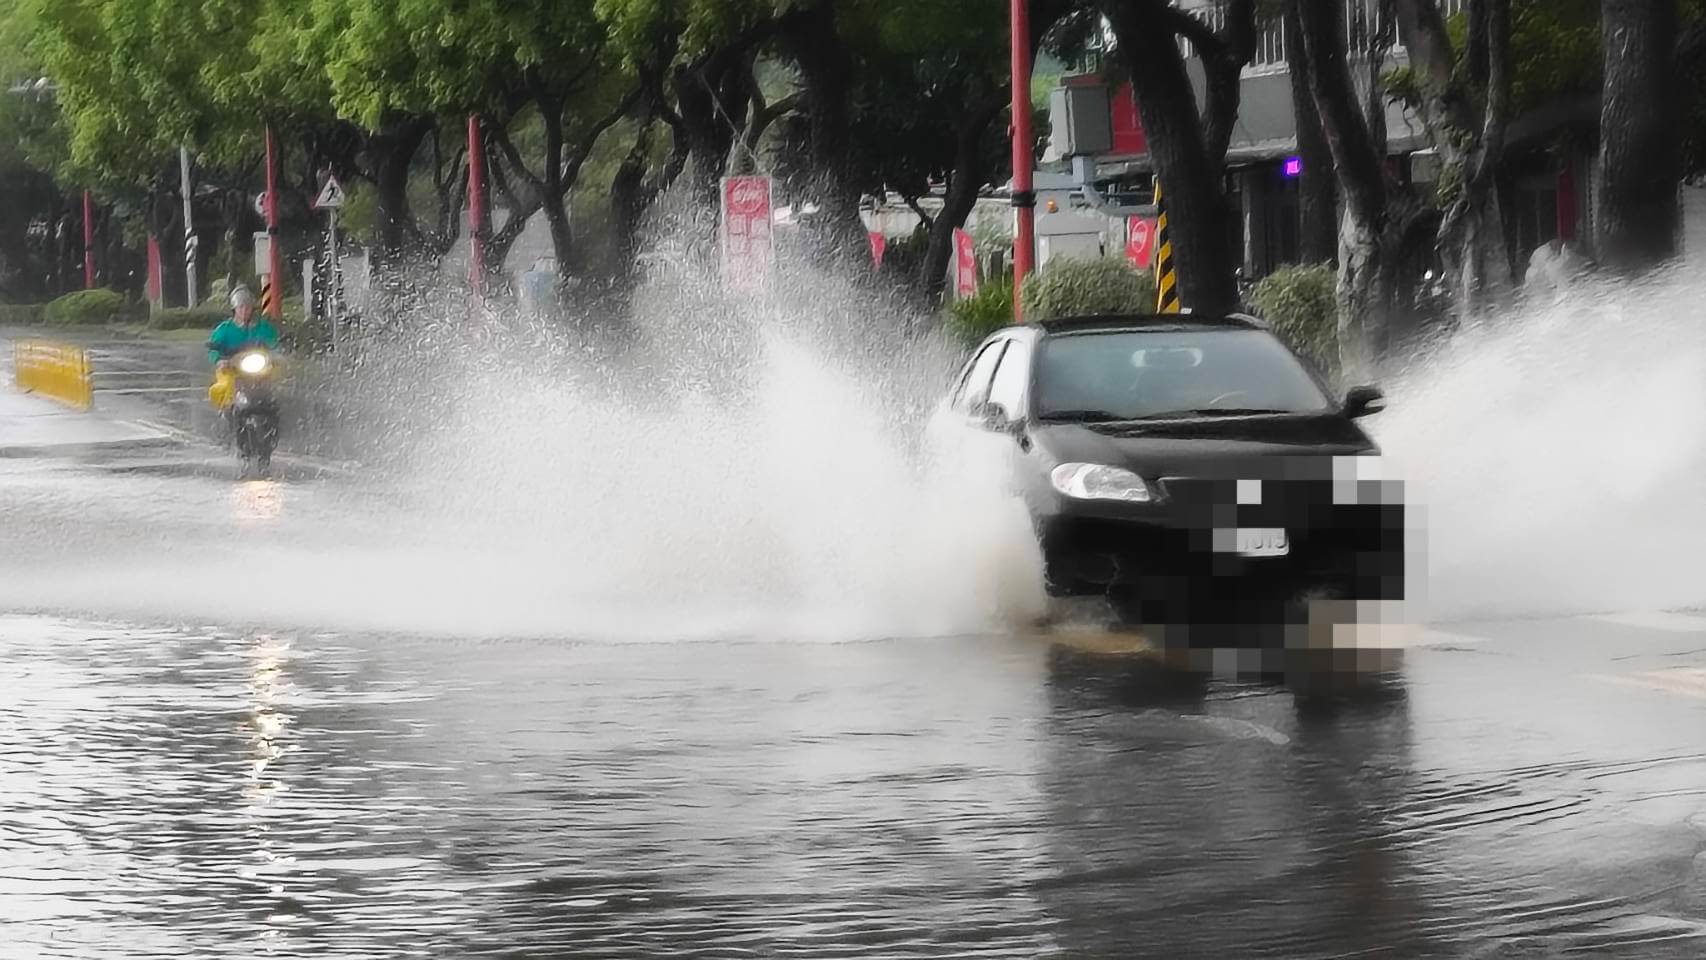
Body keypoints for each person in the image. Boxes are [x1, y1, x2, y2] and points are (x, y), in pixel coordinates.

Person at [206, 286, 279, 410]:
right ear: (234, 309)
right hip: (231, 367)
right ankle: (227, 408)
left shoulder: (263, 327)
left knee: (274, 379)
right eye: (241, 307)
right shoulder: (224, 329)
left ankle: (270, 404)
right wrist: (219, 360)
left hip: (258, 366)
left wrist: (277, 356)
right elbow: (213, 350)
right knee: (225, 385)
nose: (244, 311)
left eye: (248, 307)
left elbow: (275, 344)